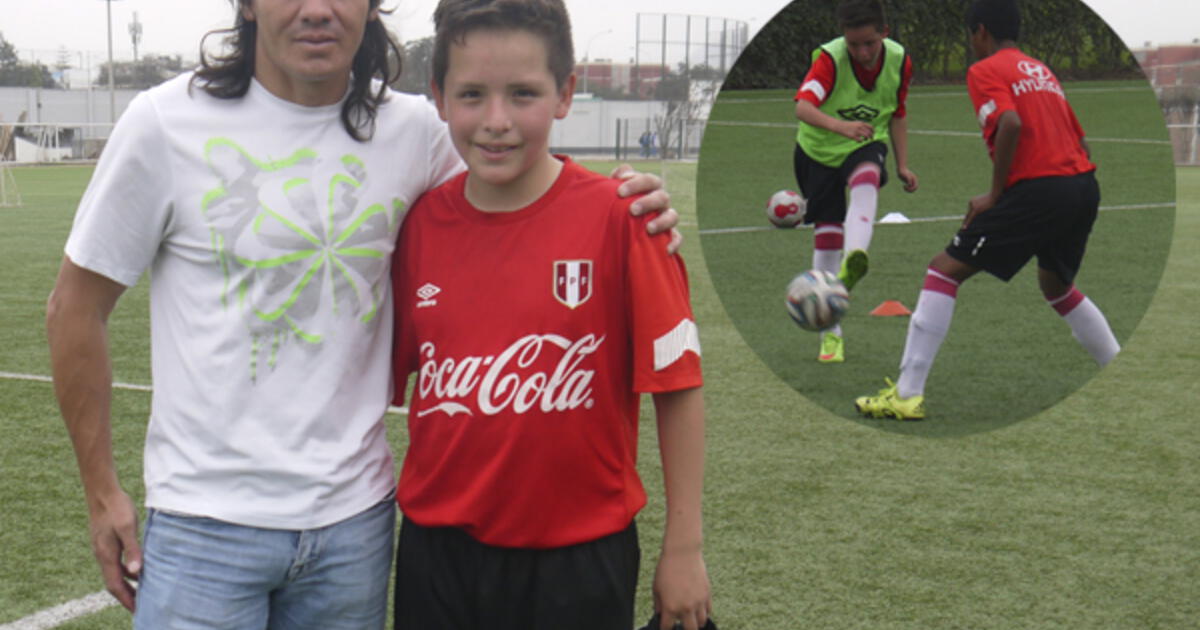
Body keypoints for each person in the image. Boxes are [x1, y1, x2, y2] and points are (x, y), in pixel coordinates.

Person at [43, 0, 677, 627]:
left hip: (354, 530)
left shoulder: (418, 131)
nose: (318, 10)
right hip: (204, 530)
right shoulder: (163, 122)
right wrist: (103, 494)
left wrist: (631, 202)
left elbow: (522, 183)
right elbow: (75, 309)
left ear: (372, 7)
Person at [389, 1, 711, 629]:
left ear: (565, 93)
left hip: (579, 560)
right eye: (473, 94)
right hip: (439, 557)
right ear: (439, 97)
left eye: (524, 94)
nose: (497, 121)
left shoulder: (625, 219)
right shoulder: (420, 226)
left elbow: (677, 388)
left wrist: (685, 548)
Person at [854, 0, 1120, 421]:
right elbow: (1081, 141)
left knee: (943, 269)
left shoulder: (985, 70)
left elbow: (1010, 124)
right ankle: (1120, 370)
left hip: (1041, 188)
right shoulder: (1041, 70)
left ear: (980, 32)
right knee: (1057, 287)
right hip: (1083, 184)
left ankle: (906, 394)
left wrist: (996, 195)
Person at [792, 0, 918, 363]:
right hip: (816, 152)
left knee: (867, 176)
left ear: (884, 34)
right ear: (844, 39)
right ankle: (830, 334)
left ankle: (856, 256)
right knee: (827, 234)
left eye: (869, 44)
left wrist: (904, 164)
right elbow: (802, 107)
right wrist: (840, 127)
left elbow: (897, 113)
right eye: (854, 45)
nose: (862, 52)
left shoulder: (899, 60)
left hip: (864, 141)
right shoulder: (829, 60)